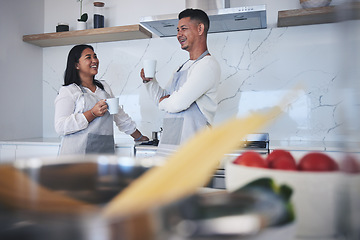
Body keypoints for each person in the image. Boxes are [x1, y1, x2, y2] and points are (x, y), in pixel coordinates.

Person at [140, 9, 221, 156]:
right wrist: (149, 82)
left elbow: (177, 103)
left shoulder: (207, 65)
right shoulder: (182, 67)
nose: (178, 35)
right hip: (170, 148)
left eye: (183, 29)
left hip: (193, 152)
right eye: (177, 30)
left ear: (200, 29)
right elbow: (163, 98)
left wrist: (165, 102)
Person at [55, 44, 149, 155]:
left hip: (104, 151)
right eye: (88, 57)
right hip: (76, 155)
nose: (94, 60)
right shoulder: (69, 91)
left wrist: (139, 137)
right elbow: (60, 127)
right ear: (76, 65)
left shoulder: (104, 87)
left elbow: (119, 115)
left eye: (95, 56)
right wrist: (92, 114)